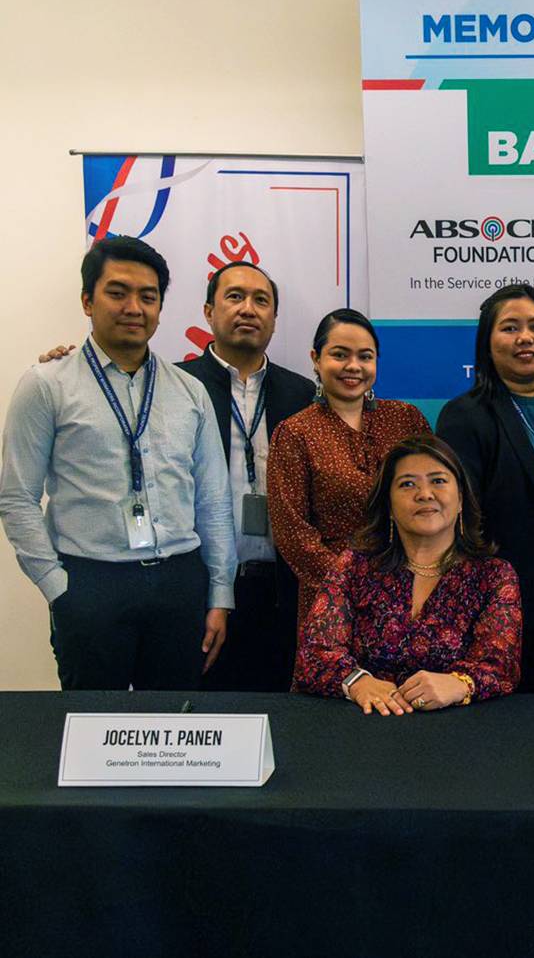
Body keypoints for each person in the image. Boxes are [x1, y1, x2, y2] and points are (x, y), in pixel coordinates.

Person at [0, 236, 235, 689]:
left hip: (179, 581)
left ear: (160, 308)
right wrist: (57, 587)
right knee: (91, 719)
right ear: (87, 301)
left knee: (175, 720)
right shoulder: (47, 385)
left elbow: (213, 500)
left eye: (148, 296)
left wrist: (220, 594)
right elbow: (17, 497)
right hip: (91, 581)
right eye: (117, 292)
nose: (134, 307)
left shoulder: (189, 392)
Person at [294, 435, 521, 711]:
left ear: (461, 498)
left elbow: (501, 667)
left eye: (438, 481)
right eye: (407, 484)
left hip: (458, 726)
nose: (425, 494)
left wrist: (460, 684)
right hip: (364, 721)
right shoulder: (354, 565)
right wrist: (357, 682)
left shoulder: (494, 576)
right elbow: (313, 654)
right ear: (389, 506)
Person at [175, 261, 316, 691]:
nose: (248, 309)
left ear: (274, 317)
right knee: (202, 711)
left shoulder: (302, 393)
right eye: (234, 297)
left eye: (261, 300)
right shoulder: (175, 385)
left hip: (282, 592)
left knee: (284, 712)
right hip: (201, 588)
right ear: (208, 311)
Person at [436, 284, 534, 693]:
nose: (525, 338)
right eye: (510, 328)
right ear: (487, 340)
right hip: (504, 604)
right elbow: (460, 519)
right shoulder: (464, 416)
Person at [266, 309, 431, 619]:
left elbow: (436, 498)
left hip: (412, 589)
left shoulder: (406, 419)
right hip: (333, 599)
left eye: (365, 356)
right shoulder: (295, 433)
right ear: (316, 359)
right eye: (340, 355)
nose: (353, 366)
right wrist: (356, 587)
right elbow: (293, 533)